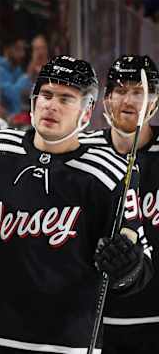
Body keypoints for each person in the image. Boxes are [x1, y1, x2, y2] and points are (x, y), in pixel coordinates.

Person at [0, 55, 153, 353]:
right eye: (46, 94)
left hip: (66, 345)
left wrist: (127, 267)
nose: (51, 105)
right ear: (34, 100)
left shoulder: (111, 173)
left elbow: (137, 263)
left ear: (86, 114)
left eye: (66, 98)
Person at [79, 55, 159, 354]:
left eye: (139, 91)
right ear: (106, 99)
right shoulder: (82, 154)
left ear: (154, 99)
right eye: (121, 90)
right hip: (97, 322)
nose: (129, 99)